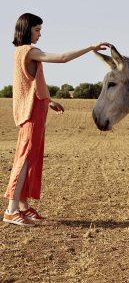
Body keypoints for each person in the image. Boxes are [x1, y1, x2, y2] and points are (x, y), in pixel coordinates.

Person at [3, 13, 111, 226]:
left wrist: (48, 101)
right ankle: (11, 210)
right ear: (26, 29)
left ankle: (22, 207)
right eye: (37, 30)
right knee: (25, 159)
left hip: (35, 109)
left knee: (31, 159)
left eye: (40, 30)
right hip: (31, 113)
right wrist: (90, 47)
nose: (40, 34)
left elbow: (29, 83)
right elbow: (62, 58)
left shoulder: (20, 52)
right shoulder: (28, 51)